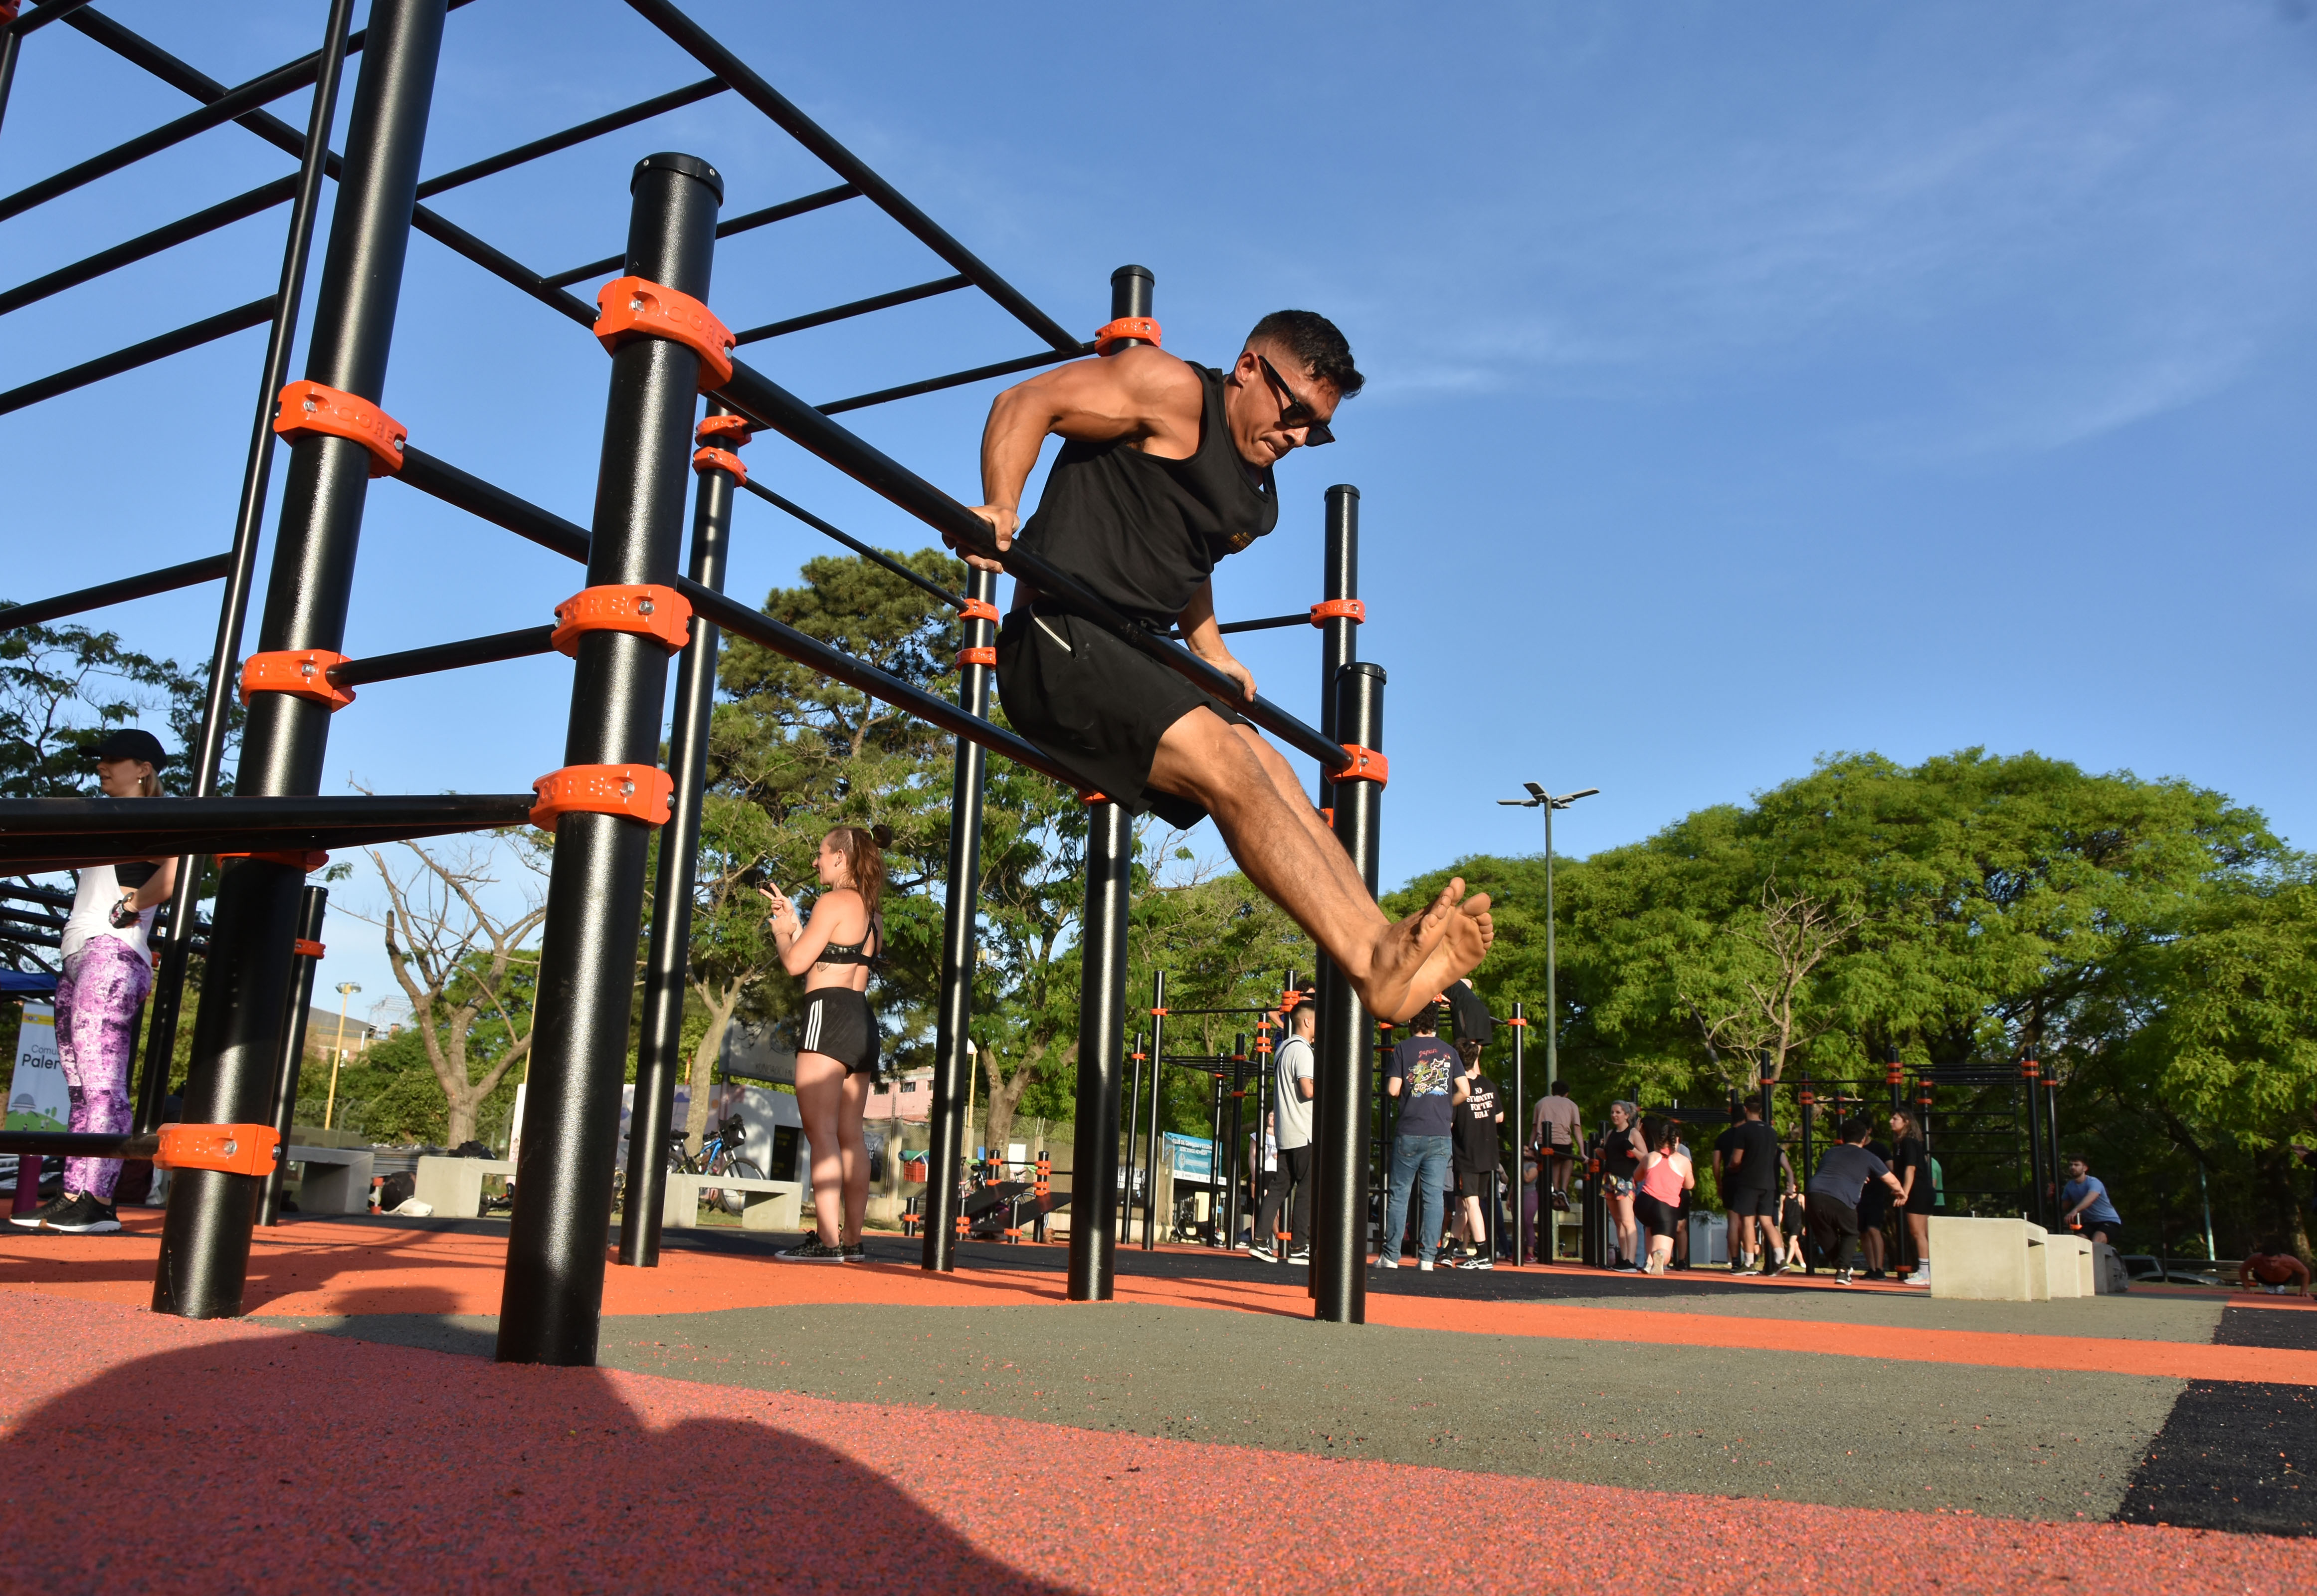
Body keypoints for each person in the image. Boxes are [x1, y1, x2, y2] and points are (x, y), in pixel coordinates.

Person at [965, 312, 1491, 1026]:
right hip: (1058, 637)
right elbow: (1025, 403)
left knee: (1266, 762)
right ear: (1248, 368)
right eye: (1295, 411)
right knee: (1229, 765)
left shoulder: (1251, 480)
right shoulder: (1168, 388)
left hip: (1133, 649)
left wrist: (1209, 649)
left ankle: (1382, 946)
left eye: (1318, 428)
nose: (1300, 436)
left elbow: (1188, 552)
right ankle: (1369, 960)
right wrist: (1001, 506)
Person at [14, 729, 175, 1236]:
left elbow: (175, 874)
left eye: (115, 759)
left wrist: (131, 904)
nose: (103, 766)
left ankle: (99, 1197)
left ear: (144, 768)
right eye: (100, 759)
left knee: (103, 1081)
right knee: (80, 1085)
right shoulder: (102, 817)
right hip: (77, 954)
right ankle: (73, 1193)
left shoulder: (164, 815)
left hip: (112, 951)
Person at [759, 824, 892, 1262]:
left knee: (822, 1135)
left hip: (827, 1017)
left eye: (820, 854)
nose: (815, 862)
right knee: (851, 1136)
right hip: (861, 1021)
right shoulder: (873, 915)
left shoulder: (834, 901)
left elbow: (799, 965)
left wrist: (781, 932)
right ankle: (852, 1242)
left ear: (840, 858)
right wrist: (796, 922)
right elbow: (831, 961)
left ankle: (827, 1240)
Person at [1378, 1005, 1459, 1270]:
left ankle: (1391, 1256)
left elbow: (1393, 1090)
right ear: (1435, 1023)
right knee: (1434, 1197)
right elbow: (1465, 1090)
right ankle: (1427, 1258)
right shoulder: (1450, 1051)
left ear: (1412, 1022)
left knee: (1400, 1195)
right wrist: (1448, 1106)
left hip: (1410, 1130)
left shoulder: (1403, 1049)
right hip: (1440, 1132)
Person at [1250, 992, 1317, 1264]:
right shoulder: (1302, 1050)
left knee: (1280, 1186)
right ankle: (1300, 1246)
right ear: (1308, 1023)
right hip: (1304, 1130)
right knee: (1307, 1188)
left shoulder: (1283, 1049)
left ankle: (1259, 1241)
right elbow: (1307, 1089)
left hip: (1286, 1130)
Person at [1805, 1118, 1907, 1285]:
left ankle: (1840, 1265)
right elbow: (1891, 1179)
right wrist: (1901, 1193)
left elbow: (1832, 1171)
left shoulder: (1831, 1152)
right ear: (1863, 1139)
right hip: (1842, 1197)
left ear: (1843, 1137)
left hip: (1814, 1194)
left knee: (1825, 1232)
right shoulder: (1868, 1156)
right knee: (1850, 1232)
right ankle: (1843, 1271)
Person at [1447, 1038, 1503, 1268]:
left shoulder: (1457, 1088)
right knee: (1465, 1204)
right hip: (1487, 1153)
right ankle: (1450, 1250)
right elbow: (1499, 1117)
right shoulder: (1489, 1085)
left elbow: (1449, 1122)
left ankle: (1482, 1253)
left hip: (1467, 1153)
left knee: (1471, 1204)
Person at [1723, 1099, 1791, 1278]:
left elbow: (1736, 1159)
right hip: (1769, 1182)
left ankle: (1749, 1263)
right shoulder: (1771, 1131)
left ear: (1746, 1110)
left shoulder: (1743, 1130)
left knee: (1747, 1221)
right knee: (1768, 1222)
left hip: (1748, 1181)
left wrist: (1731, 1168)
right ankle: (1781, 1259)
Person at [1634, 1120, 1694, 1275]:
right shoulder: (1684, 1161)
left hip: (1644, 1203)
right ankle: (1658, 1256)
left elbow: (1637, 1176)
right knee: (1664, 1250)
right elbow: (1689, 1185)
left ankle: (1648, 1263)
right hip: (1665, 1208)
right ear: (1678, 1140)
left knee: (1650, 1226)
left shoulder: (1650, 1157)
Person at [1595, 1101, 1648, 1271]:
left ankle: (1631, 1261)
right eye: (1612, 1112)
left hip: (1625, 1179)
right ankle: (1624, 1258)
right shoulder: (1611, 1133)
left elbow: (1646, 1158)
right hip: (1610, 1178)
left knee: (1627, 1220)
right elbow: (1608, 1156)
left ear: (1626, 1115)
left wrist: (1632, 1149)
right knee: (1618, 1222)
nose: (1614, 1115)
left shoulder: (1632, 1133)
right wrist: (1599, 1149)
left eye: (1618, 1112)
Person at [1888, 1110, 1934, 1286]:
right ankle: (1928, 1271)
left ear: (1906, 1122)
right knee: (1923, 1233)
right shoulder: (1903, 1144)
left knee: (1918, 1232)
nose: (1891, 1122)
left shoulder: (1909, 1142)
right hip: (1920, 1191)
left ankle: (1924, 1273)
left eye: (1895, 1119)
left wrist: (1905, 1192)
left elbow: (1911, 1169)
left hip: (1919, 1192)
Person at [1533, 1081, 1582, 1212]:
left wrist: (1531, 1149)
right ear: (1567, 1094)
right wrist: (1583, 1152)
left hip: (1543, 1142)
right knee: (1568, 1159)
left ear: (1552, 1091)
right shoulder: (1572, 1105)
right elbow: (1577, 1129)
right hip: (1562, 1143)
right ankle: (1564, 1190)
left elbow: (1534, 1128)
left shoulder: (1541, 1103)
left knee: (1554, 1160)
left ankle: (1555, 1189)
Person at [1857, 1126, 1897, 1279]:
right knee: (1864, 1232)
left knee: (1874, 1229)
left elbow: (1891, 1168)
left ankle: (1880, 1268)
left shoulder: (1879, 1148)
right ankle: (1872, 1268)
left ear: (1870, 1130)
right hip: (1859, 1194)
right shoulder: (1855, 1149)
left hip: (1876, 1194)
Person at [2058, 1155, 2122, 1246]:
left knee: (2096, 1242)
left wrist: (2075, 1211)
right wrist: (2051, 1197)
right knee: (2078, 1243)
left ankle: (2096, 1260)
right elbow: (2063, 1207)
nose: (2072, 1167)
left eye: (2076, 1165)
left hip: (2109, 1221)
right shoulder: (2070, 1186)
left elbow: (2090, 1198)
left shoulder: (2094, 1182)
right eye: (2071, 1165)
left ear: (2085, 1168)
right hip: (2091, 1223)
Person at [2240, 1242, 2312, 1297]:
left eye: (2275, 1261)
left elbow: (2305, 1272)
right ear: (2262, 1257)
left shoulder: (2290, 1260)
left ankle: (2279, 1287)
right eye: (2268, 1261)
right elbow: (2243, 1269)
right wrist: (2247, 1288)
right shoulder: (2255, 1259)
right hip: (2263, 1279)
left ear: (2280, 1258)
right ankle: (2269, 1286)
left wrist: (2304, 1291)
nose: (2272, 1265)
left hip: (2284, 1280)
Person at [1777, 1178, 1808, 1271]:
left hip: (1797, 1224)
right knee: (1795, 1245)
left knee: (1792, 1242)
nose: (1788, 1187)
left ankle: (1787, 1263)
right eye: (1787, 1185)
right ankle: (1803, 1263)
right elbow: (1781, 1211)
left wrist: (1806, 1226)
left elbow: (1806, 1212)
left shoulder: (1801, 1197)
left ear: (1795, 1186)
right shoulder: (1783, 1197)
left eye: (1790, 1185)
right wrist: (1778, 1223)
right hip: (1788, 1223)